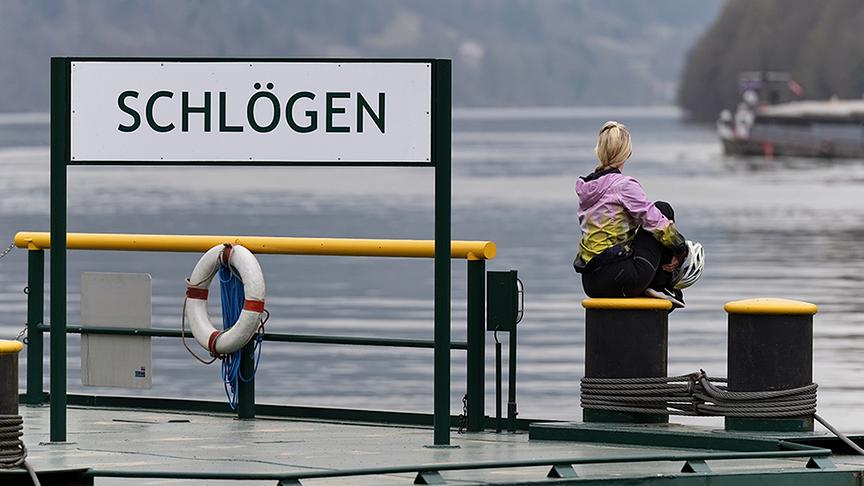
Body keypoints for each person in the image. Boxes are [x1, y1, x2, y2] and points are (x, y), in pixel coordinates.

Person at [572, 121, 688, 307]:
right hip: (621, 278)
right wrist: (680, 249)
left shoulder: (587, 189)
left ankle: (655, 286)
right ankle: (661, 284)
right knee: (662, 209)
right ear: (627, 153)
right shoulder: (624, 186)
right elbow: (656, 222)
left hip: (591, 282)